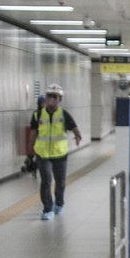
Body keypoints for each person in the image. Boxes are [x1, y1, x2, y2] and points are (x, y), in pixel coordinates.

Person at [28, 83, 82, 220]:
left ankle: (59, 203)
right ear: (45, 98)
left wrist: (77, 136)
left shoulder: (64, 114)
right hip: (43, 153)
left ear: (60, 99)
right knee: (46, 180)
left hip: (60, 153)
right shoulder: (37, 114)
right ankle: (47, 209)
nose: (51, 98)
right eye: (49, 96)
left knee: (60, 181)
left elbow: (75, 129)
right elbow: (33, 134)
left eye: (55, 96)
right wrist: (30, 152)